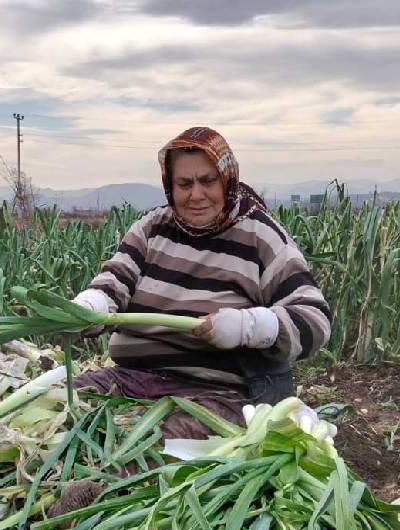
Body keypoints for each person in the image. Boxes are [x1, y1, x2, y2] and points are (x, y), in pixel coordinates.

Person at [70, 127, 332, 439]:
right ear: (170, 185)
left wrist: (249, 326)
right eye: (184, 184)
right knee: (57, 405)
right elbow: (115, 281)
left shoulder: (260, 237)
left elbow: (315, 320)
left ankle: (100, 486)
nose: (196, 195)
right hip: (133, 378)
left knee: (154, 445)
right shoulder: (152, 230)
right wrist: (89, 306)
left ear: (227, 179)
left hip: (219, 394)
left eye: (208, 181)